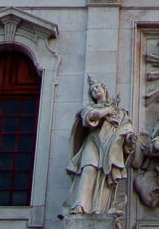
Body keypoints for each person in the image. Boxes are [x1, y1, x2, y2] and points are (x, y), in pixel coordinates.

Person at [61, 77, 137, 218]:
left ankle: (98, 208)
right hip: (93, 142)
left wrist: (129, 138)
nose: (95, 90)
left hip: (110, 146)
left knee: (104, 176)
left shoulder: (119, 111)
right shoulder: (91, 108)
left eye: (97, 87)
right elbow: (91, 116)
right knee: (88, 169)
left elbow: (126, 127)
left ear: (105, 90)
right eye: (92, 90)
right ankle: (80, 205)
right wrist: (108, 110)